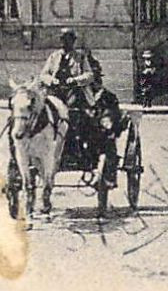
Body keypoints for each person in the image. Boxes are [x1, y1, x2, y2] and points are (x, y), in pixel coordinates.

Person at [40, 29, 121, 184]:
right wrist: (52, 81)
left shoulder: (80, 57)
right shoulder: (54, 57)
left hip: (75, 94)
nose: (65, 42)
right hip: (55, 93)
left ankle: (76, 146)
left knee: (78, 115)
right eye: (63, 39)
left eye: (68, 39)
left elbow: (89, 75)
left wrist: (75, 80)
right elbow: (43, 74)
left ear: (73, 41)